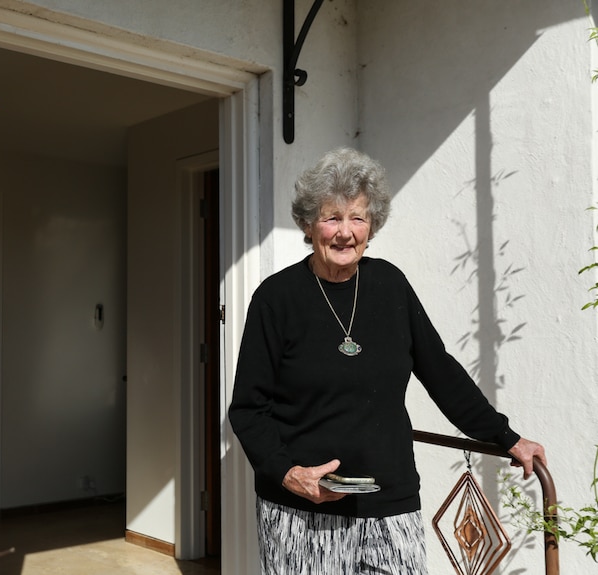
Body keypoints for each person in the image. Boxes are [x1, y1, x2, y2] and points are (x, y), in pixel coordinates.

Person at [228, 147, 546, 575]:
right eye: (331, 218)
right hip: (301, 512)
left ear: (372, 225)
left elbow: (441, 372)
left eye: (357, 218)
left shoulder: (391, 287)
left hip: (390, 505)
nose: (345, 232)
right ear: (308, 224)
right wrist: (288, 474)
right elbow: (249, 409)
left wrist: (506, 437)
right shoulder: (275, 299)